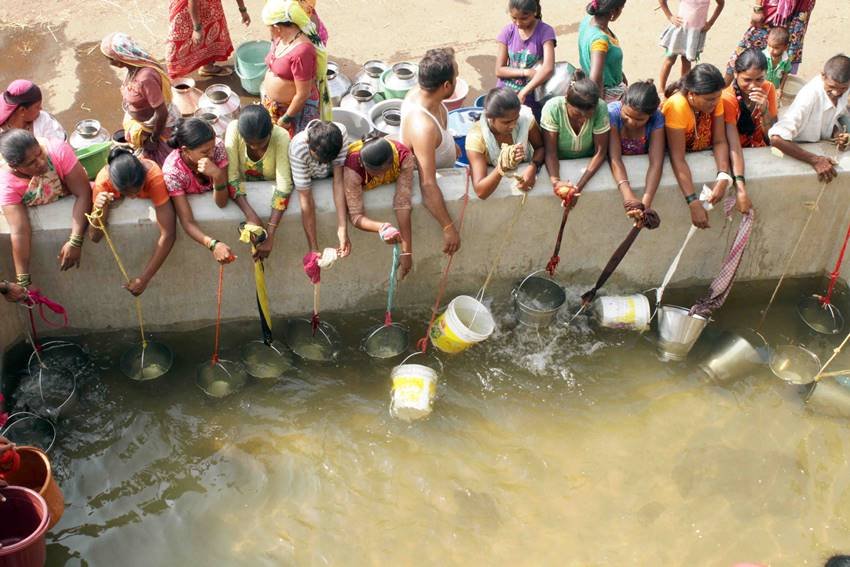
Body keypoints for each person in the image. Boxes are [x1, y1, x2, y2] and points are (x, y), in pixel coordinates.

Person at [0, 129, 93, 288]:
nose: (41, 162)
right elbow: (20, 230)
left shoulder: (57, 150)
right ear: (15, 167)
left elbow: (84, 193)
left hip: (69, 196)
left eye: (40, 153)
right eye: (31, 163)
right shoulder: (7, 183)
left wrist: (75, 240)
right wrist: (22, 280)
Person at [162, 118, 259, 263]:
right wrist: (212, 244)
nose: (212, 154)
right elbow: (187, 221)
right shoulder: (173, 173)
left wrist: (218, 176)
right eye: (205, 152)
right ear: (186, 151)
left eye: (212, 147)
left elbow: (221, 202)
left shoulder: (218, 147)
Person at [662, 63, 745, 229]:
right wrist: (692, 202)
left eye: (717, 97)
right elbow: (677, 158)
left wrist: (723, 176)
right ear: (692, 94)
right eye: (709, 100)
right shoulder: (677, 106)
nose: (715, 103)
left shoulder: (714, 100)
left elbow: (720, 141)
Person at [89, 148, 177, 296]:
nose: (134, 197)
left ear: (144, 178)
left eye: (138, 191)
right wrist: (100, 208)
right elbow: (95, 237)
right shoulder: (103, 183)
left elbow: (168, 234)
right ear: (113, 185)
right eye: (126, 194)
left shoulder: (153, 176)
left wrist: (144, 279)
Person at [400, 47, 463, 255]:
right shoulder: (423, 127)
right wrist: (448, 227)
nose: (457, 79)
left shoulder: (425, 95)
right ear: (446, 86)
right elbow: (427, 185)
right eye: (456, 76)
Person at [276, 119, 350, 263]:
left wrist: (342, 228)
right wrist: (314, 248)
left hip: (328, 176)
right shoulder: (298, 148)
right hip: (308, 176)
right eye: (320, 160)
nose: (325, 164)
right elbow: (306, 199)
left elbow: (338, 180)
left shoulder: (340, 133)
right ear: (310, 146)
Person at [224, 105, 293, 259]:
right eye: (249, 143)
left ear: (270, 132)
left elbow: (284, 185)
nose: (254, 146)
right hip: (245, 196)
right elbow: (231, 176)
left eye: (261, 143)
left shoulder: (281, 136)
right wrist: (251, 216)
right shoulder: (234, 129)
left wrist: (271, 232)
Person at [769, 54, 850, 183]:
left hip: (816, 143)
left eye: (843, 89)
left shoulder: (843, 91)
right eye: (832, 87)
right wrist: (815, 160)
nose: (836, 93)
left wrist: (837, 133)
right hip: (797, 147)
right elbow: (776, 139)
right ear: (823, 76)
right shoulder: (809, 96)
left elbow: (831, 116)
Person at [101, 33, 179, 165]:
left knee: (165, 163)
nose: (109, 63)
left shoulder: (146, 78)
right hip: (146, 129)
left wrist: (153, 140)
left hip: (158, 131)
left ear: (121, 59)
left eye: (110, 59)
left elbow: (162, 112)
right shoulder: (133, 69)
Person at [342, 137, 414, 279]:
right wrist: (382, 227)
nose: (381, 176)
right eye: (376, 172)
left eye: (385, 171)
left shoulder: (403, 157)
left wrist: (407, 252)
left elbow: (402, 204)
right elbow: (355, 216)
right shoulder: (353, 170)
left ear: (391, 161)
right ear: (363, 164)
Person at [260, 0, 332, 137]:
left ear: (277, 26)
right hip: (276, 106)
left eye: (268, 27)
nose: (268, 30)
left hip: (294, 112)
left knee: (293, 148)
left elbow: (302, 94)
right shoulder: (281, 39)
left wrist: (286, 118)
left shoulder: (302, 52)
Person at [540, 71, 610, 204]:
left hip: (587, 161)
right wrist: (556, 182)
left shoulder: (601, 108)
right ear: (566, 100)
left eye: (589, 114)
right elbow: (550, 152)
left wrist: (578, 188)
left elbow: (600, 153)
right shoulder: (553, 108)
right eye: (578, 114)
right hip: (559, 162)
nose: (583, 119)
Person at [465, 87, 545, 199]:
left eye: (515, 119)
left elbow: (540, 147)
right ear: (491, 118)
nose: (512, 125)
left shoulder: (525, 120)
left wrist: (533, 167)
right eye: (506, 122)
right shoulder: (476, 138)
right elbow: (481, 191)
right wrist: (501, 167)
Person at [607, 81, 666, 226]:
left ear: (650, 115)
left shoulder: (657, 119)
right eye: (627, 115)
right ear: (622, 103)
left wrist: (645, 205)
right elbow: (614, 157)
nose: (632, 122)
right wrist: (628, 195)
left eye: (640, 120)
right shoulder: (612, 114)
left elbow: (656, 163)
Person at [726, 0, 816, 82]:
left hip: (799, 12)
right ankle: (723, 88)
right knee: (746, 50)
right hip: (773, 9)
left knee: (781, 60)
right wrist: (757, 8)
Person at [495, 0, 556, 120]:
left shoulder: (545, 32)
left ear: (535, 12)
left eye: (524, 18)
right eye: (514, 18)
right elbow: (499, 70)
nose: (518, 23)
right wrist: (525, 72)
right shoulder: (508, 32)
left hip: (532, 97)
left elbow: (548, 68)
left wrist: (524, 91)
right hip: (505, 94)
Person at [166, 0, 250, 79]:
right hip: (186, 8)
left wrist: (243, 11)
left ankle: (207, 67)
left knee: (211, 31)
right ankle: (175, 77)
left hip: (209, 6)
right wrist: (197, 28)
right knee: (181, 37)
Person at [658, 0, 725, 92]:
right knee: (669, 60)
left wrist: (710, 23)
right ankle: (661, 90)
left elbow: (721, 3)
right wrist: (670, 16)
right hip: (679, 30)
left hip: (694, 34)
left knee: (686, 61)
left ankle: (683, 88)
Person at [724, 48, 777, 149]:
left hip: (760, 148)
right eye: (747, 80)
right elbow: (729, 143)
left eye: (759, 79)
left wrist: (765, 111)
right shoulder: (727, 98)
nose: (753, 86)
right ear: (735, 73)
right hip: (736, 150)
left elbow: (771, 138)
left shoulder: (768, 88)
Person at [578, 0, 627, 102]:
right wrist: (599, 107)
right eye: (622, 8)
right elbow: (595, 78)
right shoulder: (600, 40)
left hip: (606, 83)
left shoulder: (587, 21)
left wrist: (620, 74)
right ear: (614, 10)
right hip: (609, 96)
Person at [0, 80, 66, 142]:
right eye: (37, 106)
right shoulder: (2, 135)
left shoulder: (43, 120)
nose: (41, 108)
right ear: (22, 110)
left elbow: (59, 146)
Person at [764, 26, 792, 98]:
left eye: (776, 48)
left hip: (774, 90)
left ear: (785, 48)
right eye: (769, 46)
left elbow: (785, 74)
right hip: (761, 89)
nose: (771, 50)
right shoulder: (762, 56)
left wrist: (780, 89)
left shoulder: (786, 60)